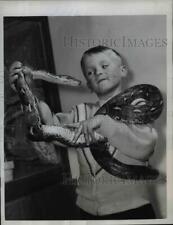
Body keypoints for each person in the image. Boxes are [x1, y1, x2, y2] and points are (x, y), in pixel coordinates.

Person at [9, 45, 158, 219]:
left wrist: (102, 122)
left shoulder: (138, 108)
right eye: (90, 72)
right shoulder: (79, 112)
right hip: (88, 211)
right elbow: (47, 125)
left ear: (123, 70)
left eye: (104, 66)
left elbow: (144, 147)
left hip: (132, 209)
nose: (98, 72)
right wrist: (25, 88)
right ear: (89, 84)